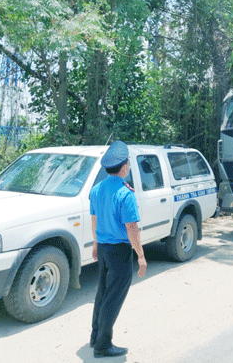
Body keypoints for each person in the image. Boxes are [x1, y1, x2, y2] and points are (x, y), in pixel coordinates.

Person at [89, 140, 147, 358]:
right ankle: (103, 345)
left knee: (102, 293)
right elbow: (131, 227)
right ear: (123, 167)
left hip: (103, 249)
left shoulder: (96, 189)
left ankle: (95, 337)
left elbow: (94, 218)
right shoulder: (126, 193)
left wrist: (95, 243)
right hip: (119, 252)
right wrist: (141, 256)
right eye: (128, 163)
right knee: (113, 298)